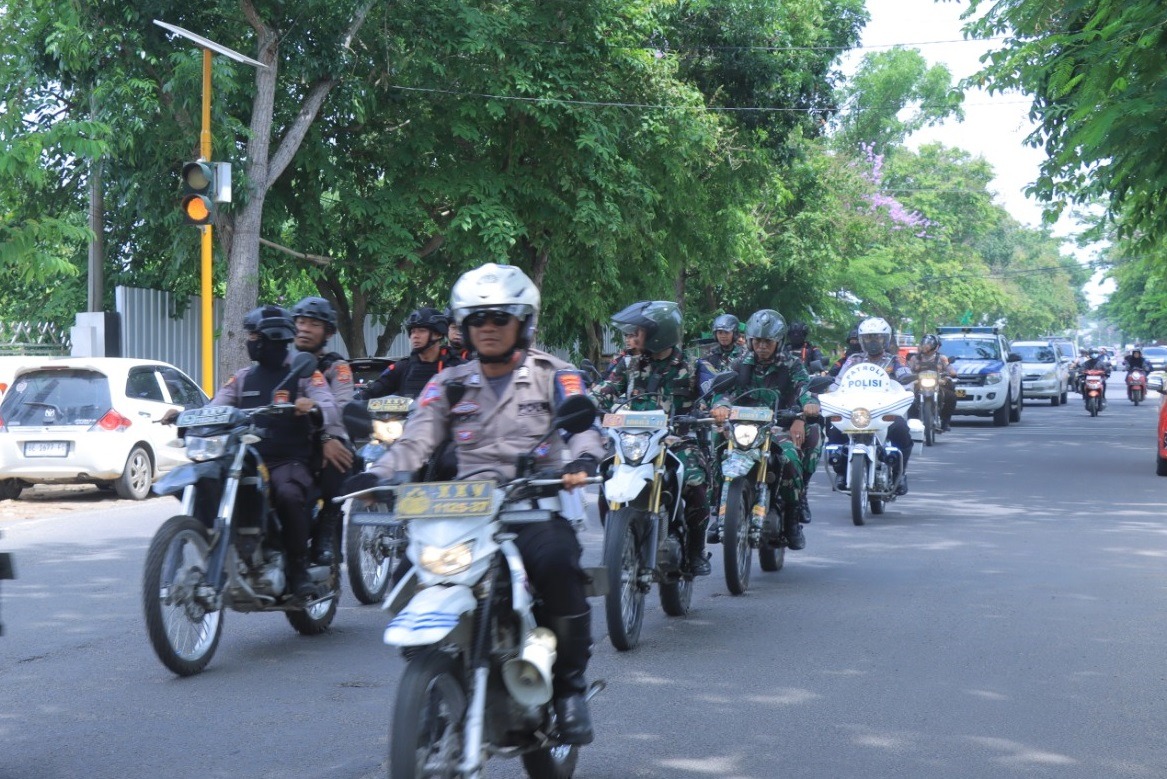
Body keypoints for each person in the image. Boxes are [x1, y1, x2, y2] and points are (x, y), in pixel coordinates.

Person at [358, 263, 604, 745]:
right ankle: (432, 684)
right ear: (465, 326)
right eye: (477, 319)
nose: (488, 327)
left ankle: (569, 689)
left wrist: (585, 460)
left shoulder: (556, 375)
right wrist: (377, 474)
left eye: (499, 316)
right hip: (464, 513)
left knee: (557, 564)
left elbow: (582, 429)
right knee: (414, 579)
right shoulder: (448, 383)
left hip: (534, 506)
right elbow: (415, 442)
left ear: (523, 322)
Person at [184, 306, 339, 598]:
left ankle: (298, 567)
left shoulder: (305, 373)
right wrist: (187, 416)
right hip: (245, 458)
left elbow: (329, 406)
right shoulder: (242, 377)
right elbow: (217, 406)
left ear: (273, 337)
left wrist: (312, 407)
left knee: (288, 494)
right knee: (203, 480)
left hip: (287, 459)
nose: (250, 341)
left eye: (255, 336)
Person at [589, 300, 713, 575]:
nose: (632, 336)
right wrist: (585, 402)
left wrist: (721, 405)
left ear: (660, 333)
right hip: (631, 441)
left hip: (676, 440)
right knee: (605, 477)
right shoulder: (627, 361)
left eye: (639, 332)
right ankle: (617, 542)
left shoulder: (693, 365)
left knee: (695, 482)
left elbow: (714, 390)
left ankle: (695, 552)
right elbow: (604, 388)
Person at [710, 309, 819, 550]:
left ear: (778, 341)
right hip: (743, 427)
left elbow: (805, 388)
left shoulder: (792, 364)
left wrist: (808, 406)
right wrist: (720, 406)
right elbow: (723, 390)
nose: (761, 346)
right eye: (757, 340)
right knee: (718, 451)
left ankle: (792, 520)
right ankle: (719, 508)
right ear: (750, 340)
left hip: (778, 426)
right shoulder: (738, 363)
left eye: (767, 341)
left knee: (790, 460)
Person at [292, 296, 356, 565]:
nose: (305, 329)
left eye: (314, 324)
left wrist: (326, 437)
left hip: (324, 438)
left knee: (338, 458)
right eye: (300, 322)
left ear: (328, 332)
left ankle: (327, 525)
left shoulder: (337, 367)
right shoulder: (281, 360)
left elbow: (341, 409)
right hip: (287, 440)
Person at [827, 317, 915, 495]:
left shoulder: (895, 361)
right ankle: (842, 472)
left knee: (901, 429)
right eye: (868, 337)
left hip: (884, 410)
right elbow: (838, 382)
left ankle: (900, 473)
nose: (873, 342)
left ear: (886, 339)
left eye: (877, 337)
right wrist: (829, 392)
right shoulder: (854, 360)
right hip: (856, 410)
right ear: (861, 340)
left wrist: (907, 386)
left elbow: (906, 380)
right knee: (834, 430)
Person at [360, 307, 464, 399]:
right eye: (413, 331)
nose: (415, 336)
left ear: (438, 334)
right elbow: (373, 390)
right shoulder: (402, 367)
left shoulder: (457, 367)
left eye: (421, 330)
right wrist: (356, 401)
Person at [907, 333, 957, 432]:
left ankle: (945, 422)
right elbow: (907, 371)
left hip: (938, 385)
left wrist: (950, 375)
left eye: (928, 344)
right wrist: (910, 377)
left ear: (935, 345)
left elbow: (950, 370)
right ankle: (911, 424)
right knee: (909, 399)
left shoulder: (942, 358)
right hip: (919, 385)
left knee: (951, 396)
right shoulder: (914, 358)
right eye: (924, 343)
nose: (926, 346)